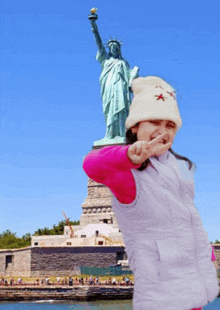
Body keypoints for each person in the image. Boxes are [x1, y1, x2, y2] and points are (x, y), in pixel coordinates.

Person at [83, 76, 219, 310]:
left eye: (170, 125)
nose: (162, 130)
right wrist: (127, 156)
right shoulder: (129, 174)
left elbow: (190, 218)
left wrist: (208, 256)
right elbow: (92, 164)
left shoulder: (182, 169)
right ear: (135, 126)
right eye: (154, 121)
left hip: (196, 286)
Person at [90, 19, 139, 143]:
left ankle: (122, 134)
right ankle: (110, 135)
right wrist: (94, 27)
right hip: (109, 87)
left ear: (119, 49)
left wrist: (134, 74)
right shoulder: (105, 60)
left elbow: (130, 78)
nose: (113, 49)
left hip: (120, 88)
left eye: (115, 47)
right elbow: (99, 45)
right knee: (110, 110)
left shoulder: (123, 62)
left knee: (121, 110)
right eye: (111, 47)